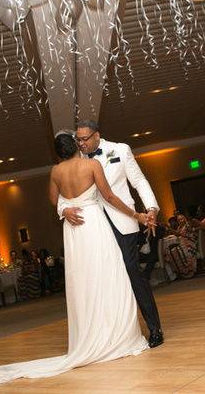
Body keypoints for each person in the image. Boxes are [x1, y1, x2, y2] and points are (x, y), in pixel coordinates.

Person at [0, 132, 150, 384]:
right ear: (76, 146)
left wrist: (65, 209)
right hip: (93, 224)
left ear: (58, 152)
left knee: (83, 281)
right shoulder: (92, 164)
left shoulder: (55, 171)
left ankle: (91, 336)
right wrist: (136, 216)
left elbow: (52, 199)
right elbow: (110, 197)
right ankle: (116, 337)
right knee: (110, 275)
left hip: (74, 229)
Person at [60, 119, 163, 348]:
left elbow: (139, 181)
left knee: (131, 271)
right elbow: (62, 192)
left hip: (123, 222)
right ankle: (117, 334)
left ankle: (154, 328)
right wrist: (63, 209)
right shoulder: (76, 159)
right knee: (105, 279)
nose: (81, 143)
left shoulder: (120, 149)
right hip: (94, 227)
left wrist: (151, 208)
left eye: (85, 139)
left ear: (97, 135)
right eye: (78, 139)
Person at [163, 213, 200, 278]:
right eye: (179, 220)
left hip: (190, 244)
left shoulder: (188, 224)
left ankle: (189, 270)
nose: (181, 221)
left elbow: (195, 227)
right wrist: (168, 228)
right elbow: (177, 234)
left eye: (182, 219)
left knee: (178, 252)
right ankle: (182, 272)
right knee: (171, 252)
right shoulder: (179, 227)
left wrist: (194, 229)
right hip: (183, 243)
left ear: (185, 218)